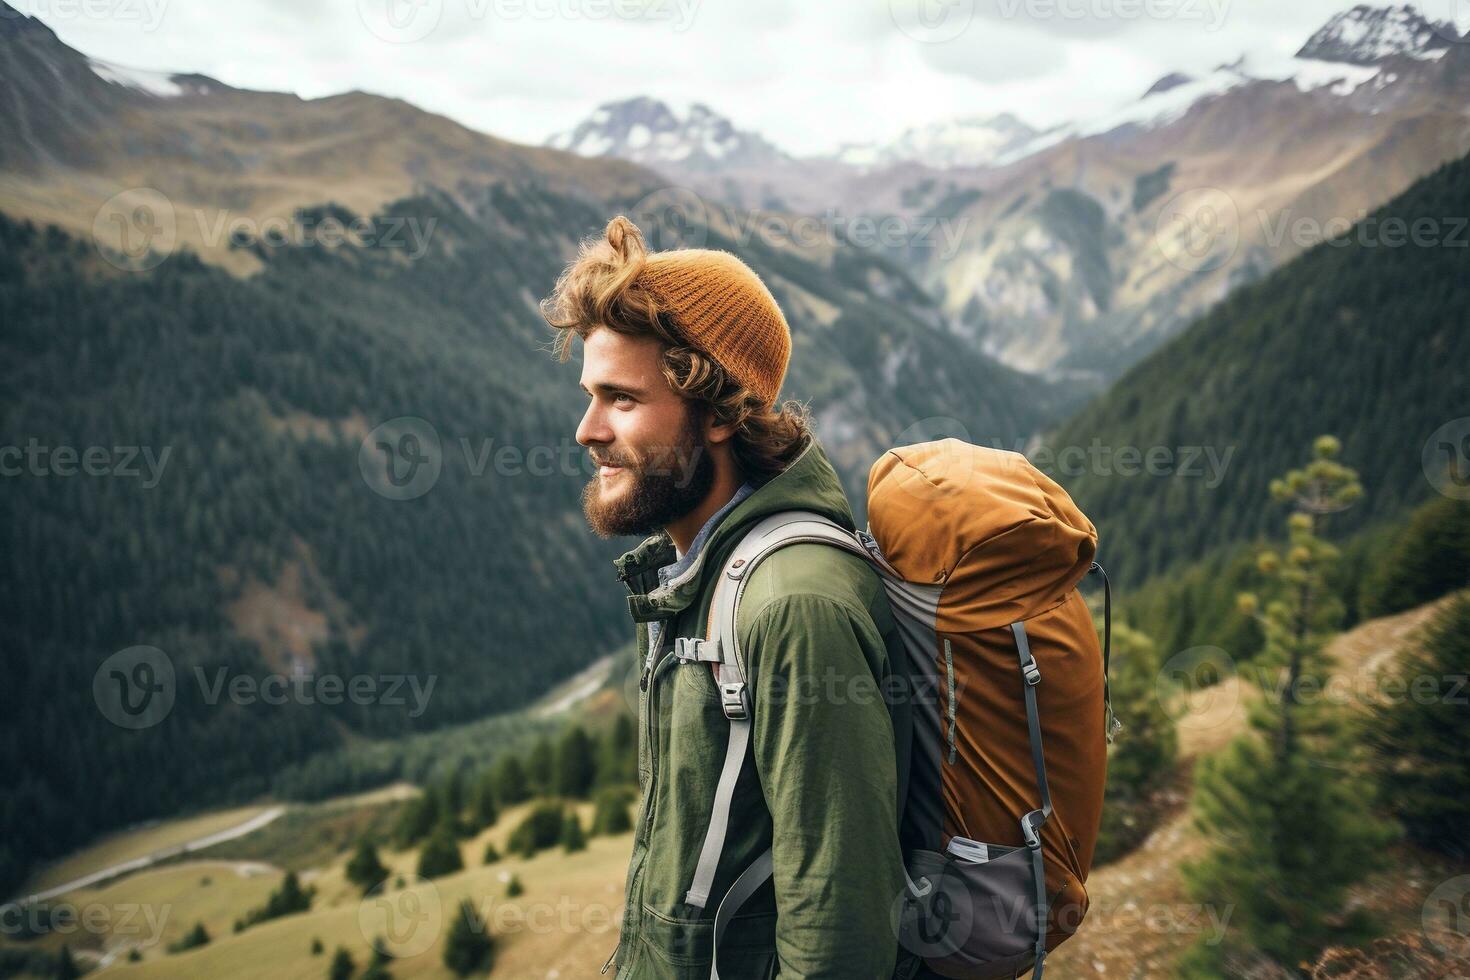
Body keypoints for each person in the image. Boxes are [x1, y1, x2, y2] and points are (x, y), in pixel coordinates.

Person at [541, 215, 910, 978]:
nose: (586, 430)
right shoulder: (705, 573)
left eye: (621, 400)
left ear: (717, 411)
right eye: (589, 394)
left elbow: (839, 932)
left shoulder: (793, 606)